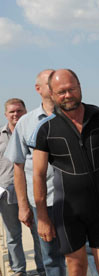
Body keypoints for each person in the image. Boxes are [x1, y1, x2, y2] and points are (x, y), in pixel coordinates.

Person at [29, 69, 99, 276]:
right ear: (52, 94)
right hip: (67, 211)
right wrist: (43, 218)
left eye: (71, 89)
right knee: (77, 267)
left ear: (80, 87)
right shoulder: (46, 128)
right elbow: (38, 175)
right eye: (61, 92)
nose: (67, 95)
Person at [5, 70, 67, 275]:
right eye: (49, 82)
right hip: (42, 201)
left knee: (82, 253)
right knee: (49, 256)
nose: (56, 85)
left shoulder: (74, 116)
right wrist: (23, 205)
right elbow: (19, 167)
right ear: (38, 89)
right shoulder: (27, 123)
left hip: (74, 200)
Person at [1, 98, 45, 276]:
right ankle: (19, 271)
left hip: (32, 190)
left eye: (19, 111)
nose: (15, 114)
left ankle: (43, 269)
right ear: (6, 114)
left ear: (25, 111)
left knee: (39, 233)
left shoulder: (34, 132)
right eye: (12, 112)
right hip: (6, 192)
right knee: (13, 236)